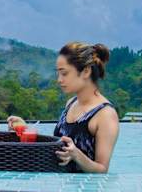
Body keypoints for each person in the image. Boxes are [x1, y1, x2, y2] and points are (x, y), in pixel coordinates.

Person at [8, 42, 119, 173]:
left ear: (86, 71)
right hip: (58, 181)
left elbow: (102, 170)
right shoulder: (71, 103)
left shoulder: (105, 114)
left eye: (64, 73)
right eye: (58, 74)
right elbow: (58, 145)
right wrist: (26, 130)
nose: (59, 80)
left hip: (82, 186)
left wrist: (77, 156)